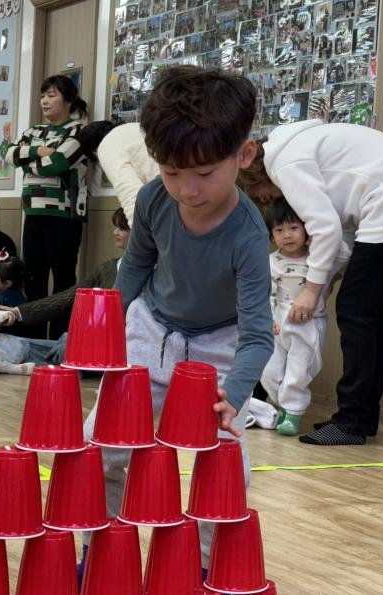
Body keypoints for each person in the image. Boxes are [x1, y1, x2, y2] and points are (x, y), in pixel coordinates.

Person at [81, 66, 273, 575]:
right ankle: (97, 553)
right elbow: (135, 267)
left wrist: (234, 395)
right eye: (171, 172)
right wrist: (104, 330)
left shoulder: (249, 236)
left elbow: (257, 336)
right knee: (101, 449)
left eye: (204, 173)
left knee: (226, 467)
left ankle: (205, 570)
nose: (187, 189)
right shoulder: (152, 200)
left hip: (218, 350)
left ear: (244, 155)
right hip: (150, 332)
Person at [239, 120, 383, 445]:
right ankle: (359, 417)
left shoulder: (285, 164)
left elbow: (326, 228)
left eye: (260, 196)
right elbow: (343, 228)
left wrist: (311, 289)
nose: (266, 201)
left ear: (255, 178)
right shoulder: (300, 146)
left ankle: (351, 422)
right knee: (373, 314)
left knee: (356, 311)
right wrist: (328, 277)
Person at [5, 75, 89, 305]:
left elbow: (58, 163)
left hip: (64, 216)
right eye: (43, 96)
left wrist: (27, 162)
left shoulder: (77, 131)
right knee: (33, 278)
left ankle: (61, 329)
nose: (44, 101)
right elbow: (9, 154)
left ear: (68, 100)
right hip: (33, 212)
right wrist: (38, 152)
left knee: (63, 278)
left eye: (51, 96)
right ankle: (36, 328)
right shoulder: (34, 131)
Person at [260, 198, 329, 436]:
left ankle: (293, 414)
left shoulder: (318, 259)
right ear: (271, 235)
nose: (287, 235)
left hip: (308, 323)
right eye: (279, 230)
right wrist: (267, 319)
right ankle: (280, 405)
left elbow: (341, 253)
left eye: (293, 228)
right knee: (269, 370)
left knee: (299, 370)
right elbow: (265, 294)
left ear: (306, 229)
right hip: (278, 322)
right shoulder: (271, 262)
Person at [11, 208, 128, 334]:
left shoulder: (143, 272)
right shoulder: (107, 268)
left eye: (121, 229)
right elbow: (67, 298)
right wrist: (18, 312)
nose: (115, 232)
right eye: (116, 227)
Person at [97, 122, 159, 226]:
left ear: (94, 152)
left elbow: (132, 198)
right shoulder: (136, 128)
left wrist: (139, 233)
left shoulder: (107, 147)